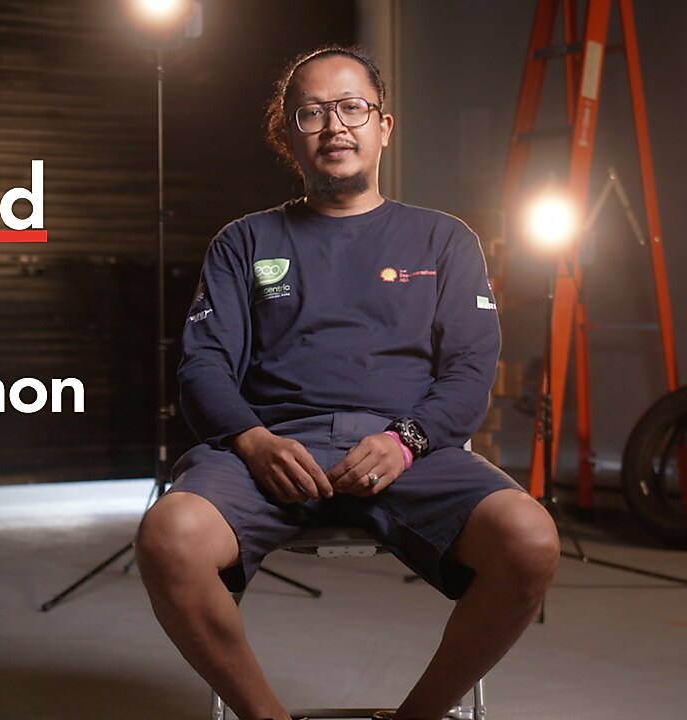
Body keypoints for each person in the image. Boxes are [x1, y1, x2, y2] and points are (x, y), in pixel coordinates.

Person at [134, 45, 560, 720]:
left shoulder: (444, 240)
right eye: (312, 113)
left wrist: (405, 441)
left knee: (530, 540)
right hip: (272, 453)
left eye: (352, 107)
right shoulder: (244, 242)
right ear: (289, 136)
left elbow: (471, 372)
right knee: (168, 537)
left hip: (409, 452)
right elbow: (202, 366)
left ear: (383, 125)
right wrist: (252, 442)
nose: (335, 126)